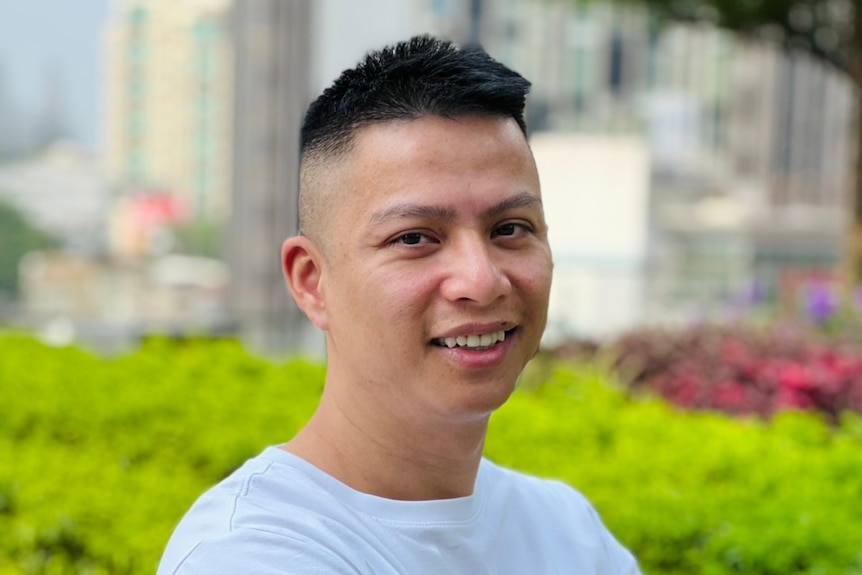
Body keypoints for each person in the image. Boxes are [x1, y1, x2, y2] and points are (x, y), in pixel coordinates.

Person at [157, 35, 641, 575]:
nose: (480, 282)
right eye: (415, 238)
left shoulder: (569, 533)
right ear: (312, 281)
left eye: (510, 228)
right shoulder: (253, 552)